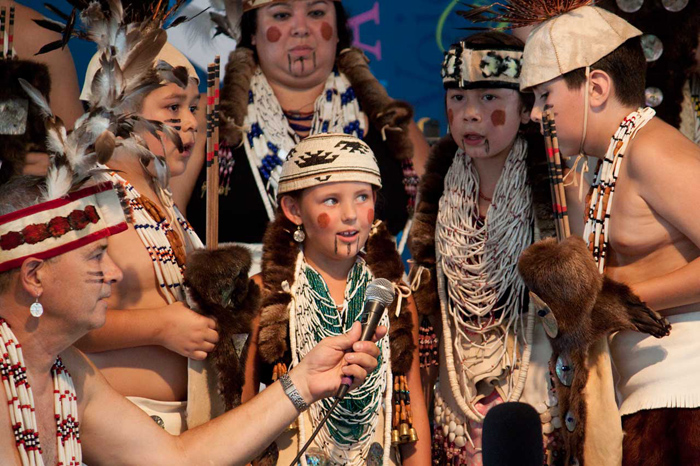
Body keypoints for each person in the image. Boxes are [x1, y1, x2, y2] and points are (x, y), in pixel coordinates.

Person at [0, 175, 382, 466]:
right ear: (34, 277)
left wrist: (305, 381)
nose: (114, 272)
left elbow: (177, 459)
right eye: (95, 257)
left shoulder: (66, 371)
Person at [478, 1, 700, 464]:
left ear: (596, 86)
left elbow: (614, 296)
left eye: (544, 96)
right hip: (635, 402)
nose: (535, 115)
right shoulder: (594, 168)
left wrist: (621, 298)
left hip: (686, 398)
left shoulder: (652, 152)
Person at [174, 0, 430, 273]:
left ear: (338, 28)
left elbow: (434, 230)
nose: (300, 28)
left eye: (316, 13)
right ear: (252, 31)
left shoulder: (390, 124)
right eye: (282, 15)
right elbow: (167, 226)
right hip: (239, 311)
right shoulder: (205, 117)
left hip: (367, 309)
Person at [408, 32, 561, 465]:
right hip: (454, 398)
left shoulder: (556, 188)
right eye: (457, 98)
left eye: (489, 96)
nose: (469, 114)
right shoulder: (439, 196)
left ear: (525, 105)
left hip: (536, 389)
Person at [242, 133, 431, 465]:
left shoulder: (394, 297)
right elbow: (239, 411)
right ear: (293, 209)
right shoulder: (263, 296)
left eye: (362, 197)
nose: (350, 214)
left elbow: (412, 404)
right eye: (331, 200)